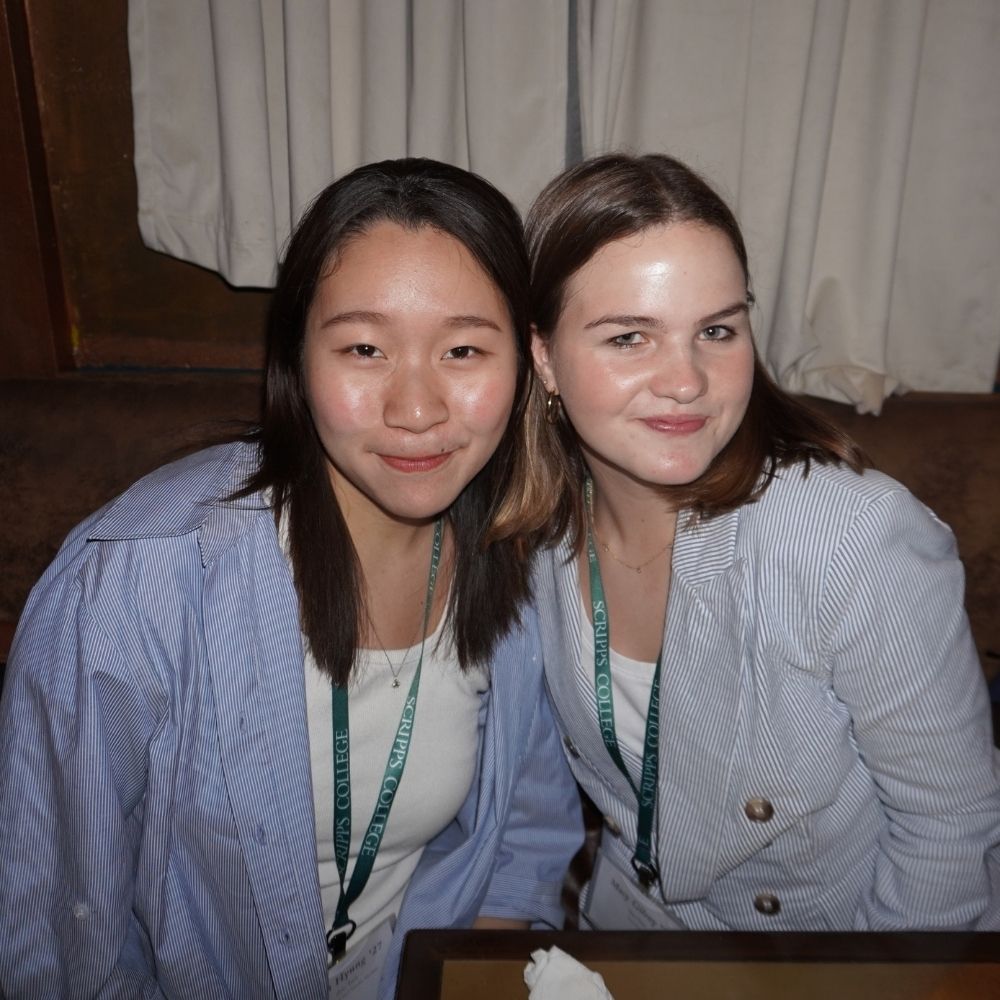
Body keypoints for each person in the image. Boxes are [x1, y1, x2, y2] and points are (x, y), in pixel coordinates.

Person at [0, 158, 582, 999]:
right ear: (297, 359)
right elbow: (58, 924)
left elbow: (524, 833)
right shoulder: (136, 578)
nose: (415, 409)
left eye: (462, 349)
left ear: (526, 363)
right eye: (363, 348)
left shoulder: (517, 550)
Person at [521, 152, 1000, 931]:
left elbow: (948, 834)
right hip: (628, 928)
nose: (687, 380)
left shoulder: (853, 538)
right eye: (629, 338)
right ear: (544, 357)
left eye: (716, 329)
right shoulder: (530, 529)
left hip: (834, 949)